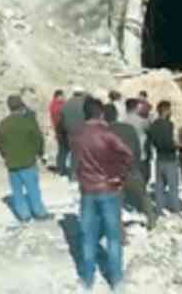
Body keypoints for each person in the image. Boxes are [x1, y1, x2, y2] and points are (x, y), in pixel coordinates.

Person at [69, 97, 133, 292]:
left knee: (88, 237)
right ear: (100, 113)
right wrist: (118, 175)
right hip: (109, 189)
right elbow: (128, 154)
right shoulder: (108, 134)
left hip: (87, 190)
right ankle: (116, 280)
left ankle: (87, 279)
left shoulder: (76, 135)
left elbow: (76, 163)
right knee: (113, 237)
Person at [0, 95, 52, 223]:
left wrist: (6, 156)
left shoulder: (3, 124)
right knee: (33, 189)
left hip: (11, 163)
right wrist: (40, 153)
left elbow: (0, 144)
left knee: (17, 191)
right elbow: (38, 139)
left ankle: (24, 215)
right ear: (21, 105)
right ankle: (39, 213)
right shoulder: (27, 121)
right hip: (28, 161)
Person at [105, 103, 157, 234]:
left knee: (115, 203)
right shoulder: (128, 128)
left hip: (114, 172)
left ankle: (120, 233)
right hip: (132, 167)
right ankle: (152, 221)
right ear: (116, 115)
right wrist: (136, 164)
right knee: (143, 196)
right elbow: (137, 148)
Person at [147, 100, 181, 214]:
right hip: (170, 158)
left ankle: (159, 209)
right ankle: (175, 209)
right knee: (173, 186)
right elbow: (169, 142)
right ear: (166, 111)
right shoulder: (169, 125)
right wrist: (177, 146)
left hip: (159, 158)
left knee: (159, 186)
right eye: (169, 109)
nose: (171, 112)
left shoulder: (153, 125)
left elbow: (152, 141)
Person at [58, 86, 88, 181]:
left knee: (74, 155)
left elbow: (61, 121)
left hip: (70, 134)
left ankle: (73, 175)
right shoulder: (85, 104)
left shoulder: (66, 104)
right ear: (82, 93)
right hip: (84, 132)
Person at [124, 98, 152, 184]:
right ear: (136, 107)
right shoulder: (142, 121)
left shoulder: (122, 120)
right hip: (141, 154)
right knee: (143, 178)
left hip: (126, 154)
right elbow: (150, 131)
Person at [48, 90, 68, 176]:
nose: (64, 97)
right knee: (64, 150)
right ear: (58, 96)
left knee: (62, 150)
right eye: (62, 96)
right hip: (62, 130)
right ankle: (62, 168)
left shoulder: (52, 104)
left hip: (58, 130)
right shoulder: (58, 105)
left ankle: (61, 168)